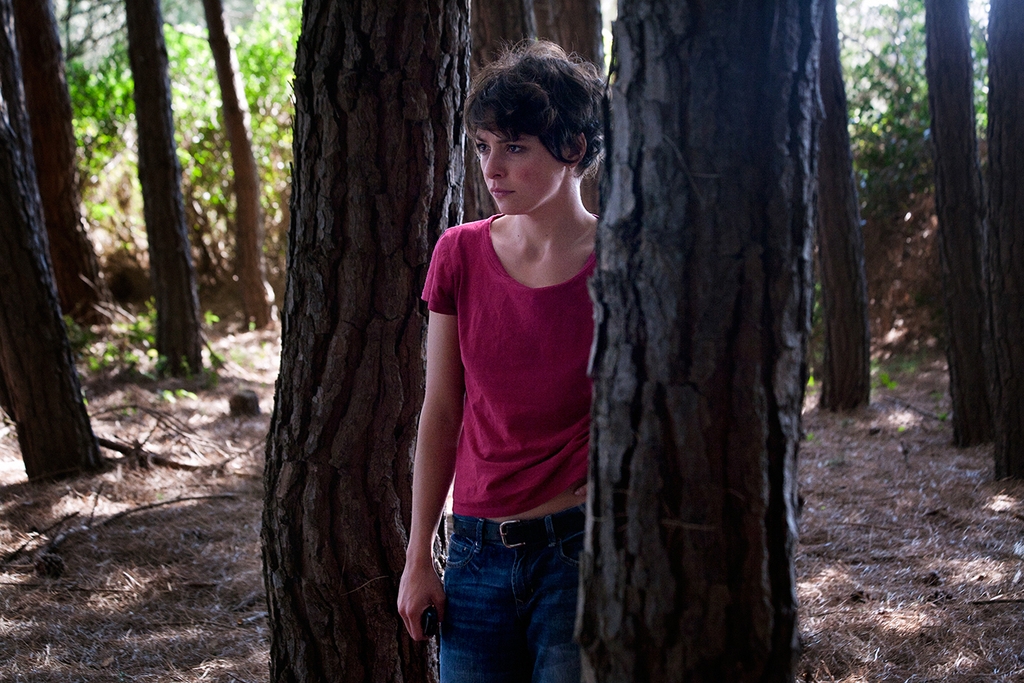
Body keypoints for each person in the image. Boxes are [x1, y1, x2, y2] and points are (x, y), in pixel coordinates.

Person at [397, 40, 605, 683]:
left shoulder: (624, 259)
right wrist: (419, 557)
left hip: (580, 554)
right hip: (474, 554)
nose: (492, 167)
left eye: (515, 147)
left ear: (572, 147)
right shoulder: (457, 254)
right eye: (484, 146)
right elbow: (441, 410)